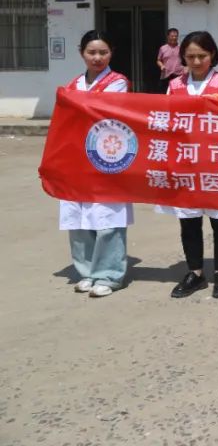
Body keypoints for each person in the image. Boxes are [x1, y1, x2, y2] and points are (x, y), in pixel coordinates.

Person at [157, 31, 218, 299]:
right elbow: (166, 121)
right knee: (189, 220)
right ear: (183, 56)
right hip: (187, 163)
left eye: (202, 56)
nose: (196, 62)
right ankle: (195, 272)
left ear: (212, 55)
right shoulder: (175, 85)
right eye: (190, 56)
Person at [60, 30, 133, 298]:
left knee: (108, 216)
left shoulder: (118, 82)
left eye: (103, 52)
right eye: (91, 52)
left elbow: (101, 111)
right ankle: (87, 271)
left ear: (111, 53)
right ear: (82, 53)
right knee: (78, 217)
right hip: (76, 158)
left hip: (108, 157)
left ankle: (109, 274)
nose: (97, 57)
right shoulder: (73, 84)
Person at [156, 28, 183, 94]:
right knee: (164, 94)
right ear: (168, 36)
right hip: (166, 75)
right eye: (172, 36)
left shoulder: (181, 48)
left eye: (176, 36)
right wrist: (161, 66)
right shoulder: (163, 48)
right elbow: (158, 60)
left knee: (177, 94)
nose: (174, 38)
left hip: (179, 75)